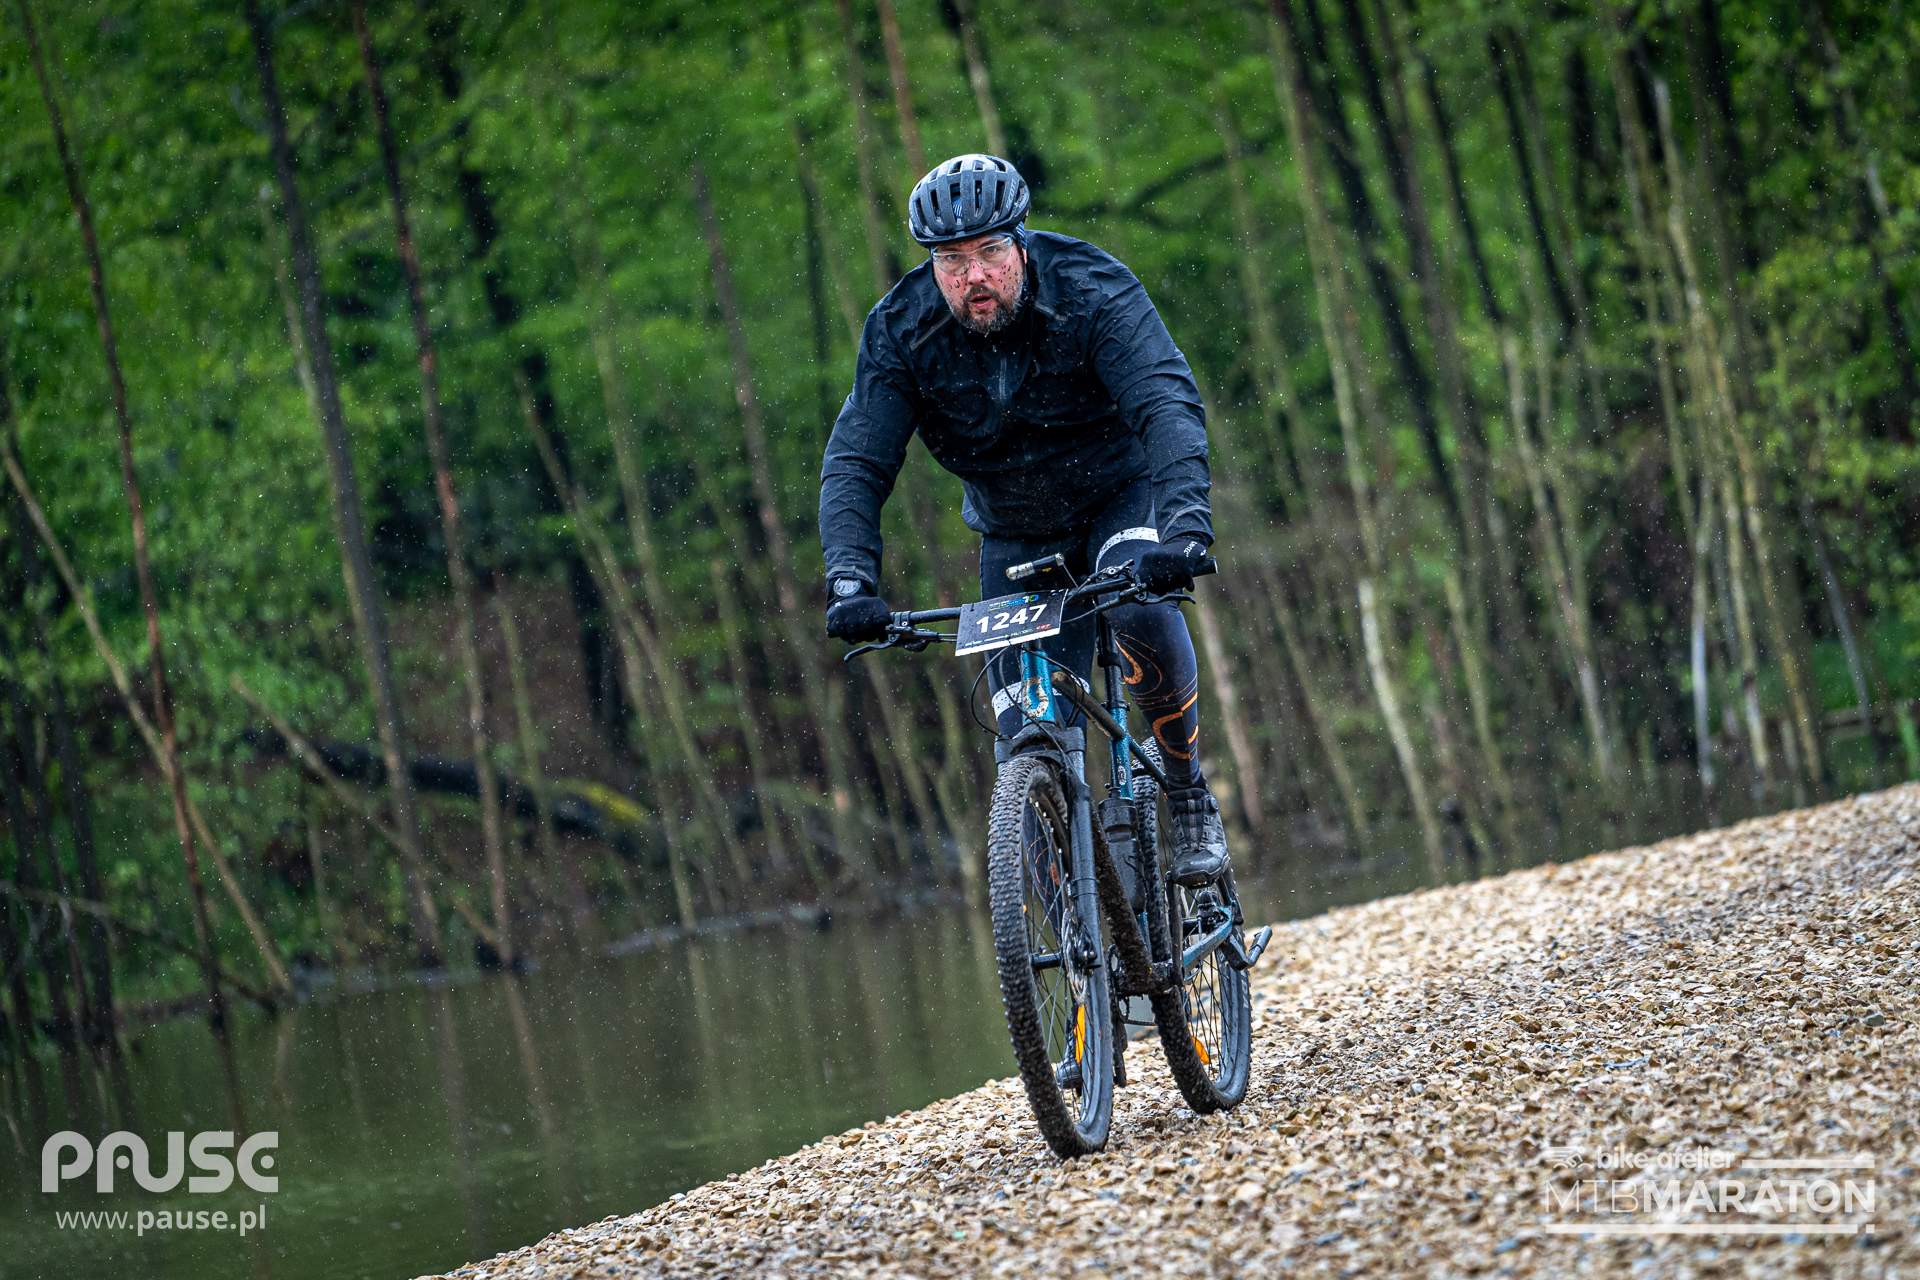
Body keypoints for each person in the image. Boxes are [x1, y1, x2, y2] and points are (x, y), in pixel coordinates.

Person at [817, 153, 1229, 886]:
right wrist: (851, 581)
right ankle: (1071, 928)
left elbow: (1166, 402)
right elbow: (857, 459)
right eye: (951, 261)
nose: (973, 275)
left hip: (1120, 496)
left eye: (990, 252)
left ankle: (1188, 789)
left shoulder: (1092, 289)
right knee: (1029, 739)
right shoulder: (901, 331)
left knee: (1138, 606)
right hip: (1014, 533)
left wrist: (1185, 530)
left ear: (1022, 242)